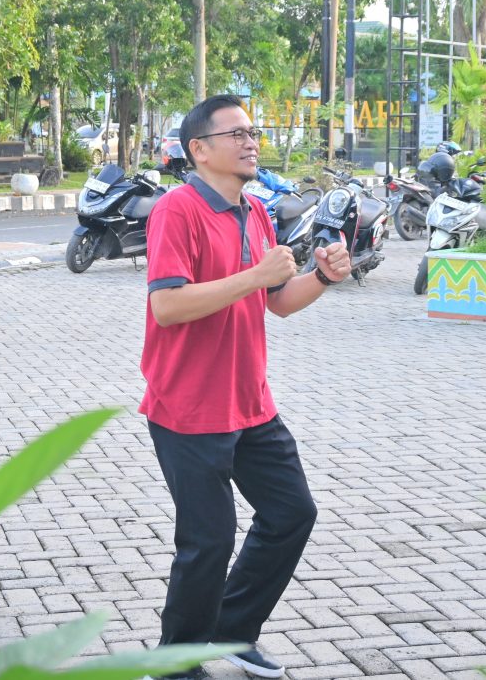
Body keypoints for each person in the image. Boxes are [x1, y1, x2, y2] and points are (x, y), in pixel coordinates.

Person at [139, 94, 352, 680]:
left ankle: (232, 633)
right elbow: (167, 306)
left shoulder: (255, 212)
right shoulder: (176, 211)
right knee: (208, 543)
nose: (250, 141)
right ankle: (178, 662)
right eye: (235, 133)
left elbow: (276, 303)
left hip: (250, 403)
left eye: (252, 131)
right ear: (199, 150)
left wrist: (322, 277)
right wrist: (254, 275)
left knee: (291, 514)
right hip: (187, 407)